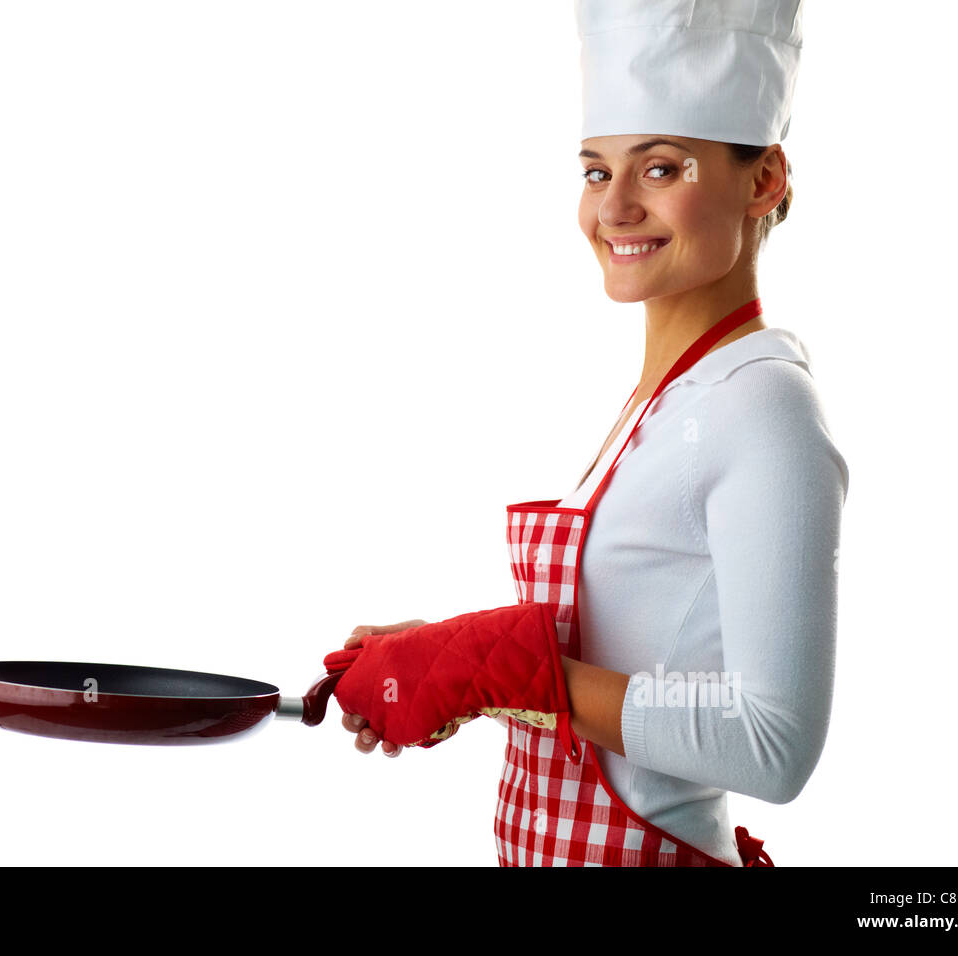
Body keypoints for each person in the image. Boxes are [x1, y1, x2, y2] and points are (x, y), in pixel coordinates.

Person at [330, 0, 847, 866]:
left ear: (763, 180)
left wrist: (497, 666)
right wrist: (442, 653)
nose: (615, 208)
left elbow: (774, 745)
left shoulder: (762, 408)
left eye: (661, 168)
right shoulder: (668, 399)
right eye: (596, 171)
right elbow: (638, 639)